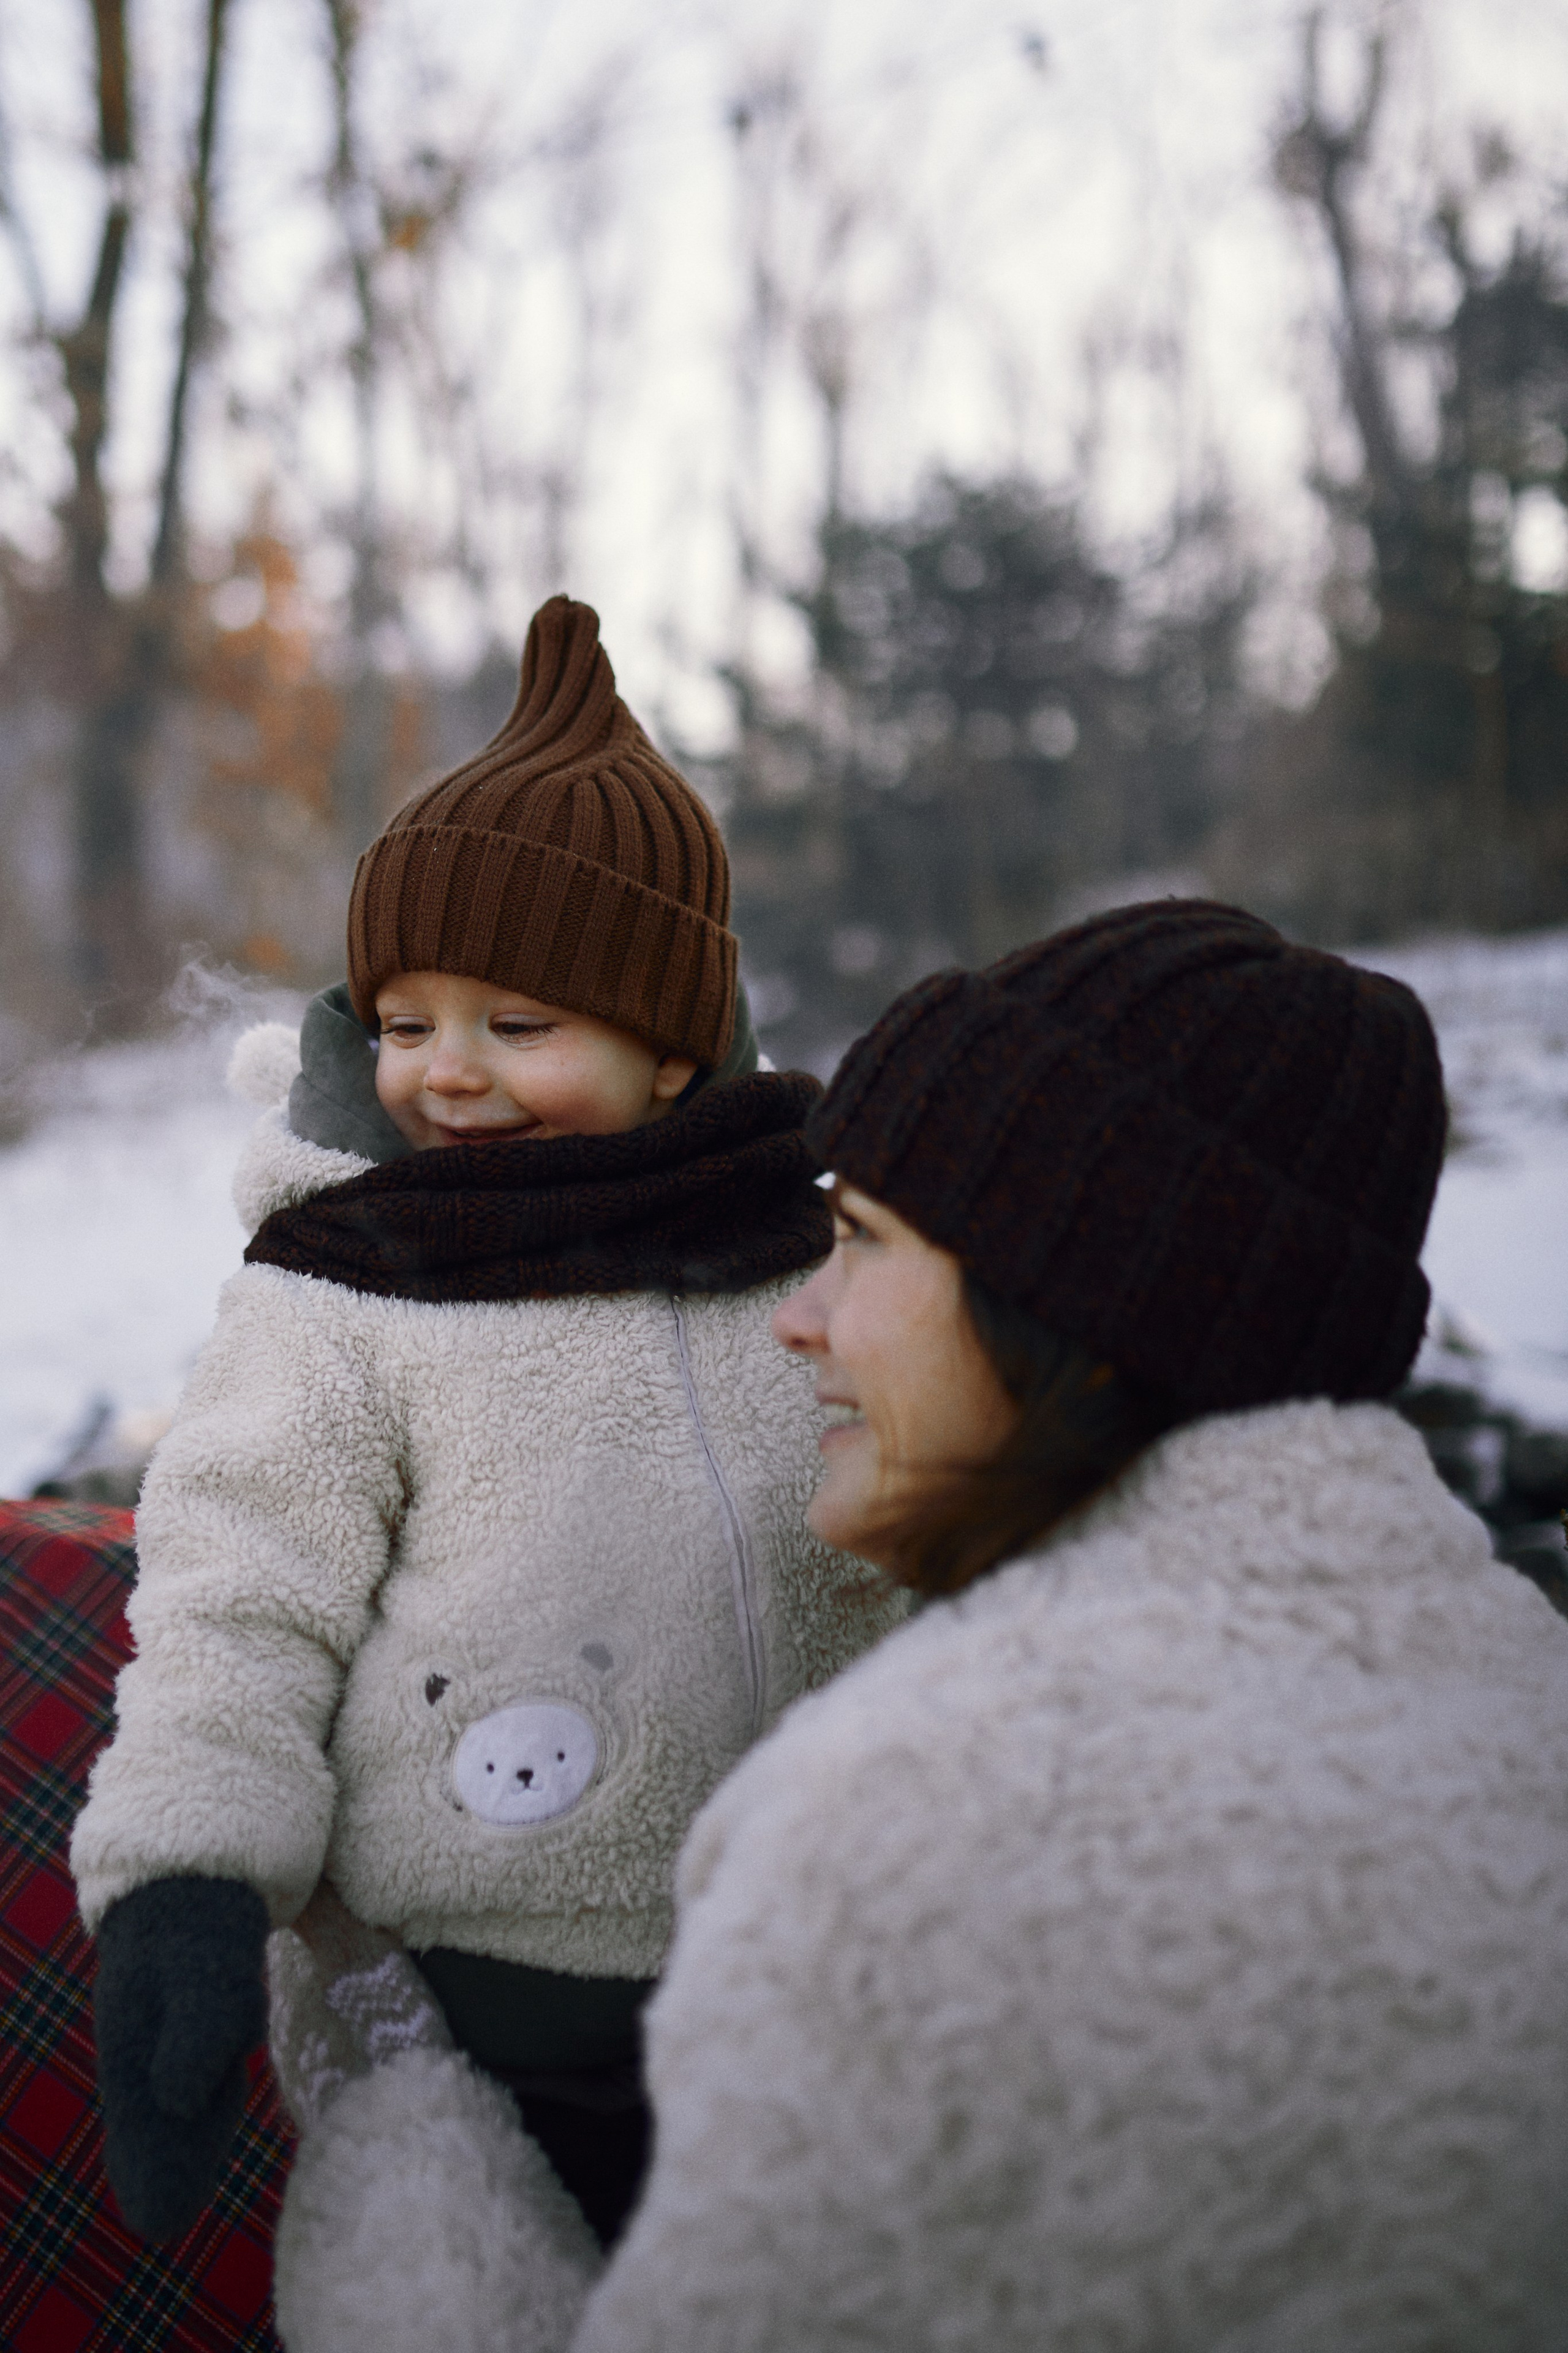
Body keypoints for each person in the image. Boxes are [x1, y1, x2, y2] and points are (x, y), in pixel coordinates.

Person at [268, 899, 1568, 2353]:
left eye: (866, 1242)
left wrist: (401, 2149)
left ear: (1074, 1296)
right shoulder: (1524, 1704)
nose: (799, 1315)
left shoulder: (895, 1832)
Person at [68, 594, 900, 2254]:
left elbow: (919, 1527)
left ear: (676, 1049)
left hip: (806, 1965)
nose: (449, 1072)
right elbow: (240, 1603)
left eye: (521, 1026)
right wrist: (186, 1884)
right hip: (452, 2000)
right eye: (403, 1020)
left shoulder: (793, 1251)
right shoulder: (343, 1288)